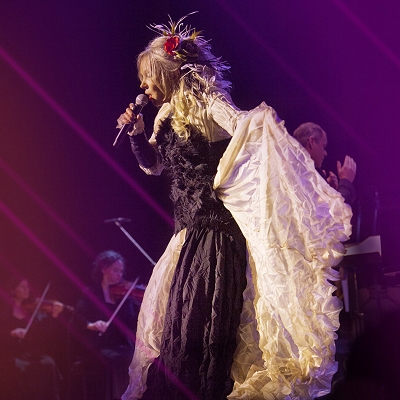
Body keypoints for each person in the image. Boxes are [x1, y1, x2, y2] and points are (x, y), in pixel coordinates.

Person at [118, 13, 352, 400]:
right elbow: (153, 166)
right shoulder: (163, 115)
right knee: (177, 333)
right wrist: (137, 134)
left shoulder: (207, 104)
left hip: (217, 236)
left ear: (166, 73)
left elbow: (242, 126)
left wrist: (258, 123)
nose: (142, 86)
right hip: (187, 237)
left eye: (147, 77)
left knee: (203, 333)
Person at [74, 250, 139, 400]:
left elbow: (132, 321)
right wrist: (91, 325)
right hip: (98, 344)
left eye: (121, 271)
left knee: (133, 357)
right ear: (103, 269)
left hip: (120, 343)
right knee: (119, 359)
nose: (119, 275)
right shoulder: (91, 292)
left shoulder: (124, 295)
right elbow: (77, 316)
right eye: (115, 270)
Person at [0, 276, 63, 400]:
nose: (27, 290)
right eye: (22, 287)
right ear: (12, 290)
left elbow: (45, 330)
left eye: (28, 287)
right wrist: (11, 333)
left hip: (28, 352)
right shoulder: (4, 309)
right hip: (9, 352)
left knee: (48, 362)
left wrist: (54, 315)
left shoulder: (31, 309)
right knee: (18, 367)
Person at [292, 122, 357, 205]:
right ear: (311, 142)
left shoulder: (292, 167)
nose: (325, 153)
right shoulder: (308, 172)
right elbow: (337, 208)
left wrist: (326, 188)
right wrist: (346, 181)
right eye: (323, 146)